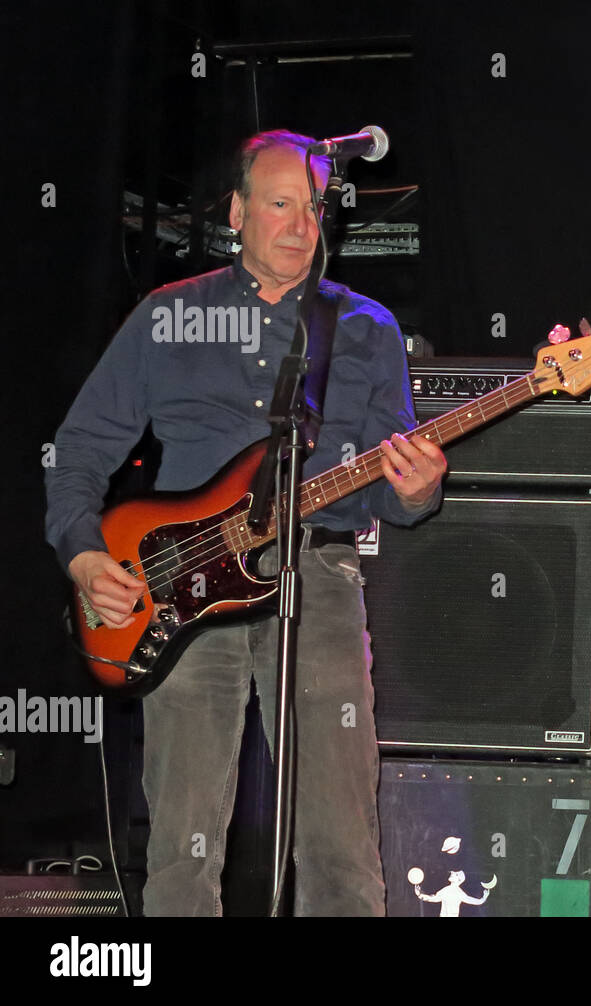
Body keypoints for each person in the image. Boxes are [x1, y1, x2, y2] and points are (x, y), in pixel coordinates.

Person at [45, 130, 446, 915]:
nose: (301, 226)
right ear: (237, 211)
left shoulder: (364, 327)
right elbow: (78, 449)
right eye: (279, 205)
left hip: (319, 577)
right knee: (183, 846)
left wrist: (417, 488)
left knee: (340, 842)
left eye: (314, 209)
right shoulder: (166, 317)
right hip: (182, 592)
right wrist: (86, 557)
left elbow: (392, 495)